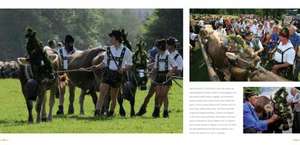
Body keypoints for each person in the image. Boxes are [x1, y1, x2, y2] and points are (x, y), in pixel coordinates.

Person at [94, 29, 133, 117]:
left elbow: (130, 65)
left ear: (116, 38)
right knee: (102, 93)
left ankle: (111, 112)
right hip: (108, 73)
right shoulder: (108, 49)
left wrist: (123, 69)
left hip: (117, 75)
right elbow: (104, 63)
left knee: (113, 97)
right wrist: (96, 67)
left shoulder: (126, 51)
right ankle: (97, 111)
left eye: (111, 37)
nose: (110, 39)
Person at [151, 39, 176, 118]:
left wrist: (170, 72)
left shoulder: (168, 56)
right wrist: (151, 73)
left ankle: (165, 111)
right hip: (158, 76)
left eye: (157, 47)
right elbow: (155, 67)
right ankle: (157, 111)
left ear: (160, 47)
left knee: (164, 95)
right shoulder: (157, 56)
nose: (156, 49)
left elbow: (175, 66)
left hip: (166, 76)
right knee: (158, 94)